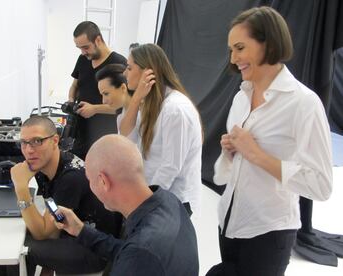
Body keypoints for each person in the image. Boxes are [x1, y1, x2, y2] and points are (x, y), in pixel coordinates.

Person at [207, 7, 333, 276]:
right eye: (231, 50)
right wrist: (229, 154)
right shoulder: (242, 96)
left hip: (268, 235)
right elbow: (223, 175)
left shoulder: (303, 103)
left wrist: (256, 154)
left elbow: (321, 185)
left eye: (240, 48)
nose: (233, 58)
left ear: (269, 43)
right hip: (229, 223)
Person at [0, 116, 122, 276]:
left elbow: (43, 233)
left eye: (37, 141)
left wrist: (21, 188)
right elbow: (54, 218)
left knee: (14, 248)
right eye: (24, 143)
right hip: (71, 232)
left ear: (55, 140)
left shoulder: (70, 177)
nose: (29, 150)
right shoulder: (45, 167)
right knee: (16, 237)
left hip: (94, 249)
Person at [54, 134, 199, 276]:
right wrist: (80, 230)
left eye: (89, 180)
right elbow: (126, 251)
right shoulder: (169, 200)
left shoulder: (141, 254)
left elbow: (136, 256)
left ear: (103, 181)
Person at [119, 43, 203, 216]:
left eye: (129, 68)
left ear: (147, 72)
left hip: (173, 200)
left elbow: (171, 166)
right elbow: (126, 136)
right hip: (153, 193)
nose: (124, 74)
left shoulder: (175, 109)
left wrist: (146, 202)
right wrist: (135, 99)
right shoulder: (149, 102)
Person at [69, 21, 127, 159]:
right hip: (82, 134)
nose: (83, 52)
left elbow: (124, 106)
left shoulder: (119, 63)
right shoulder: (83, 59)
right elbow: (74, 86)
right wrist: (71, 101)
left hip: (105, 135)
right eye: (79, 48)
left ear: (98, 40)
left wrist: (95, 109)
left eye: (86, 47)